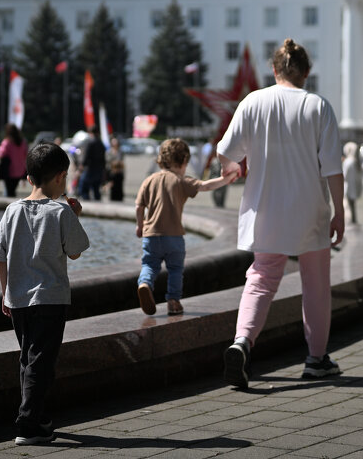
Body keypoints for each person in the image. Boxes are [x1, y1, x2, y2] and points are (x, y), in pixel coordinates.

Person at [217, 38, 345, 387]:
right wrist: (340, 211)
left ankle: (242, 342)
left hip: (266, 208)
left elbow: (225, 151)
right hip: (311, 210)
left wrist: (233, 170)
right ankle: (316, 359)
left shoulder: (253, 101)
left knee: (261, 278)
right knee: (316, 284)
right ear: (306, 72)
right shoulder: (318, 107)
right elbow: (333, 167)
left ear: (273, 70)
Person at [0, 142, 90, 446]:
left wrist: (5, 293)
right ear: (60, 177)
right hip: (50, 298)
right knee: (41, 361)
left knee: (28, 360)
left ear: (29, 178)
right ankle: (28, 422)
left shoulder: (12, 210)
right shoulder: (61, 211)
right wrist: (76, 215)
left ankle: (39, 418)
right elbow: (75, 253)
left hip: (17, 299)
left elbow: (0, 256)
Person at [135, 138, 235, 316]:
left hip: (151, 236)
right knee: (175, 270)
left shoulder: (149, 181)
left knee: (150, 265)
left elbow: (139, 206)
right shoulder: (181, 180)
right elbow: (204, 186)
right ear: (183, 161)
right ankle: (173, 301)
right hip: (174, 237)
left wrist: (139, 226)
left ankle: (144, 284)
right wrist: (224, 179)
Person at [0, 123, 29, 198]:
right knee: (13, 189)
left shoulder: (7, 142)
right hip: (20, 170)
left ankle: (8, 207)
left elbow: (1, 154)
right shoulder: (23, 142)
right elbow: (26, 155)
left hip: (9, 170)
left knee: (8, 190)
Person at [79, 126, 106, 201]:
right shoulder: (101, 144)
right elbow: (103, 159)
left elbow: (87, 155)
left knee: (84, 187)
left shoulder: (90, 142)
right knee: (96, 189)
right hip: (99, 169)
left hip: (90, 168)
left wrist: (82, 165)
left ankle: (86, 202)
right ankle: (98, 204)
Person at [341, 141, 362, 224]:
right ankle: (353, 219)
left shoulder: (348, 162)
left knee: (347, 204)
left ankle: (350, 219)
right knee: (352, 204)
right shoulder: (355, 161)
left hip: (348, 186)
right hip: (354, 186)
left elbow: (344, 175)